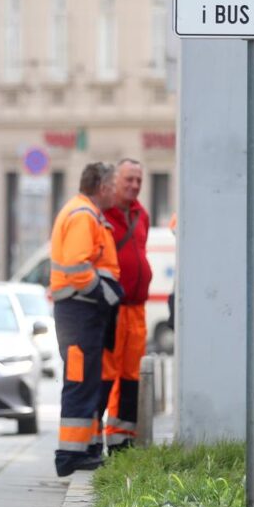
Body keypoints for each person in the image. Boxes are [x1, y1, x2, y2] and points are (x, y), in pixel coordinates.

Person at [50, 162, 124, 477]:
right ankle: (69, 455)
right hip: (80, 311)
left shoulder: (86, 213)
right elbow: (76, 267)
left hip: (83, 312)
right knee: (81, 381)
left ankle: (87, 449)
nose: (117, 191)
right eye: (115, 185)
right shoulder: (83, 216)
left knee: (88, 381)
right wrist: (105, 293)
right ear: (102, 187)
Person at [99, 159, 153, 452]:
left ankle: (122, 439)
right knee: (107, 373)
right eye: (128, 180)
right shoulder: (103, 214)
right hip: (113, 308)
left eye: (138, 181)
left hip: (137, 309)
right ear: (115, 181)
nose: (134, 186)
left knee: (131, 374)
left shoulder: (140, 215)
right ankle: (97, 435)